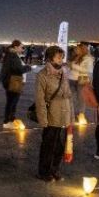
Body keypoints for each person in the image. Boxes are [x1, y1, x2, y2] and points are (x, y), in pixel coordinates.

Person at [34, 46, 72, 181]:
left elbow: (68, 96)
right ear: (50, 58)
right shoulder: (43, 75)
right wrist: (43, 119)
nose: (61, 59)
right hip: (51, 115)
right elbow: (40, 99)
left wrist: (71, 117)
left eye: (62, 57)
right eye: (58, 57)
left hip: (64, 115)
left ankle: (54, 169)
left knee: (60, 146)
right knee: (48, 146)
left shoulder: (64, 73)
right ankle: (43, 172)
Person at [0, 40, 31, 129]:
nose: (23, 49)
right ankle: (7, 122)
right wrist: (29, 67)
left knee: (12, 102)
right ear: (15, 47)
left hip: (12, 81)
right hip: (12, 82)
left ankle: (11, 120)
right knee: (11, 102)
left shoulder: (11, 55)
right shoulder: (12, 56)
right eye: (22, 47)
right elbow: (19, 69)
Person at [68, 42, 94, 121]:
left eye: (77, 48)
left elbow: (88, 70)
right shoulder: (75, 57)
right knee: (70, 97)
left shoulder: (88, 58)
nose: (75, 50)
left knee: (81, 98)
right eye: (76, 48)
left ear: (82, 49)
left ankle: (81, 114)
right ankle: (70, 113)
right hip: (71, 79)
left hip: (81, 80)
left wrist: (73, 66)